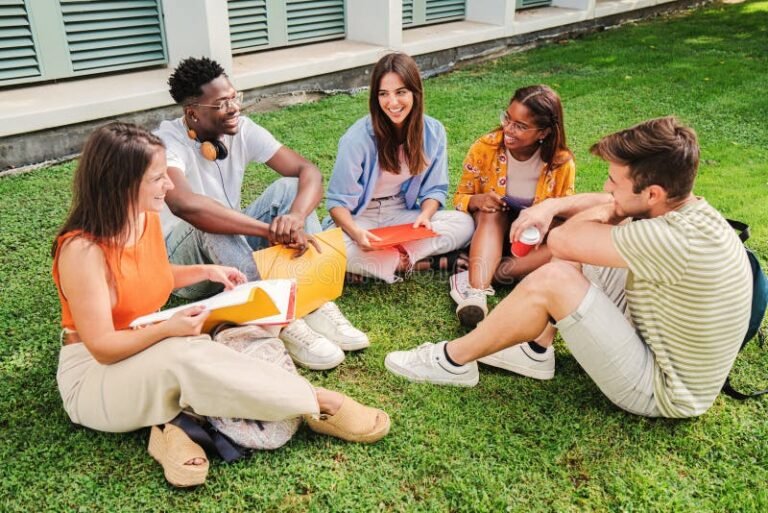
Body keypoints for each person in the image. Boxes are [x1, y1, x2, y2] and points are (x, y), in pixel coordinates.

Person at [52, 123, 390, 488]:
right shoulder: (82, 252)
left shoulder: (142, 217)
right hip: (94, 375)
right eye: (157, 179)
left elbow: (145, 274)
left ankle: (173, 427)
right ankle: (318, 402)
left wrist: (207, 270)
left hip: (147, 344)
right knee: (183, 354)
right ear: (122, 183)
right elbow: (102, 347)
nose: (169, 185)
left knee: (229, 330)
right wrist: (167, 328)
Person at [385, 117, 752, 419]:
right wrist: (554, 207)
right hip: (655, 335)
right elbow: (604, 212)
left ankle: (453, 360)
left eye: (614, 181)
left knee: (557, 274)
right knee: (592, 241)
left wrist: (578, 211)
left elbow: (562, 242)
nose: (607, 188)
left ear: (653, 193)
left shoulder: (669, 239)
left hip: (664, 389)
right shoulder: (688, 210)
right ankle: (536, 351)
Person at [155, 57, 366, 371]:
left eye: (234, 97)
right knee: (209, 217)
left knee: (289, 187)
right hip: (188, 270)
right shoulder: (166, 142)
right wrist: (267, 231)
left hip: (233, 256)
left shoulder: (241, 130)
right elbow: (185, 205)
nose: (234, 107)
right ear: (193, 114)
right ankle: (278, 318)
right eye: (222, 103)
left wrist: (295, 216)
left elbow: (307, 171)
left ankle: (313, 300)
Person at [448, 85, 575, 380]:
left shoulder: (561, 163)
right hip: (491, 232)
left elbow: (563, 213)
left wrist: (542, 220)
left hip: (529, 244)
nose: (509, 129)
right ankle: (476, 292)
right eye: (508, 118)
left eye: (520, 125)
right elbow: (459, 197)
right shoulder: (486, 148)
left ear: (543, 132)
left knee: (564, 237)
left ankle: (491, 272)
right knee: (492, 213)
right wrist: (476, 201)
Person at [323, 52, 474, 283]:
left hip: (400, 213)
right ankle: (427, 262)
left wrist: (425, 215)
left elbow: (435, 189)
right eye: (384, 94)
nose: (392, 103)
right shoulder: (357, 139)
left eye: (401, 92)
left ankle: (386, 263)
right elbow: (337, 203)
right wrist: (355, 234)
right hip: (360, 218)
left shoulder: (433, 132)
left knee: (464, 223)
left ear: (415, 92)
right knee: (331, 246)